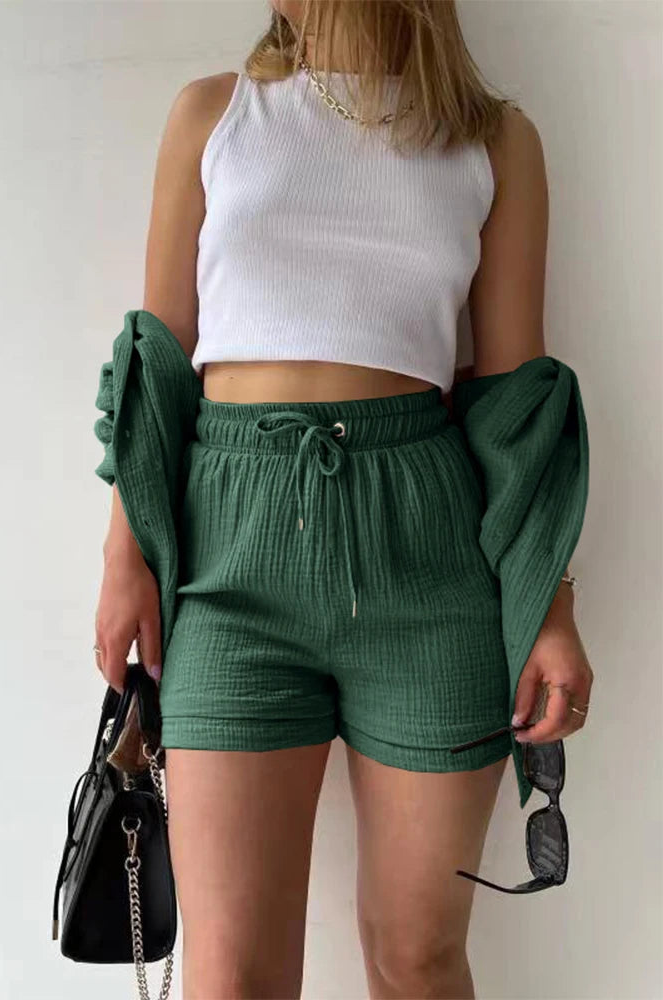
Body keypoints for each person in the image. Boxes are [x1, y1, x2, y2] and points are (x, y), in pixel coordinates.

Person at [93, 2, 593, 997]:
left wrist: (550, 604)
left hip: (428, 562)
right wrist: (125, 552)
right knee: (230, 977)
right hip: (231, 563)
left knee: (418, 960)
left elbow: (512, 403)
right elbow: (159, 367)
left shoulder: (495, 141)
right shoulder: (213, 117)